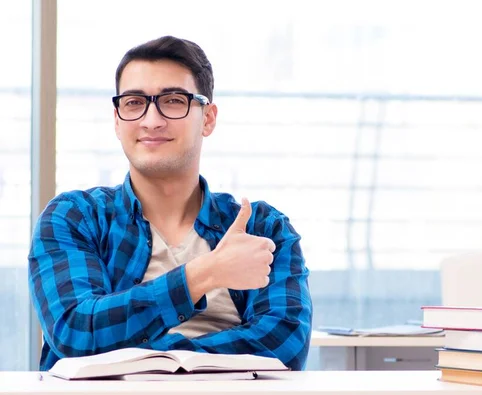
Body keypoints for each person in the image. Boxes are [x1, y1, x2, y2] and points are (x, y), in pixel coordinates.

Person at [28, 36, 312, 371]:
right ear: (118, 121)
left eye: (173, 100)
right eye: (134, 103)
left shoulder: (262, 228)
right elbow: (75, 332)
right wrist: (203, 274)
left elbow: (285, 342)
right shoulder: (76, 218)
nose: (151, 120)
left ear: (208, 118)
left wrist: (154, 360)